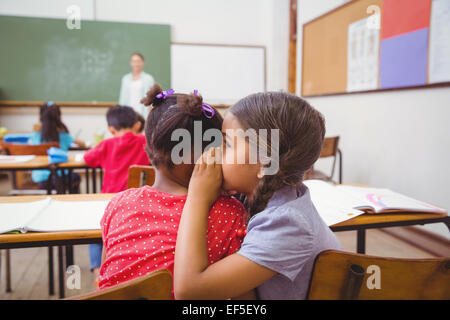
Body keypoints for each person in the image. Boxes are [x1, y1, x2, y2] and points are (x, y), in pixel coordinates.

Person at [174, 92, 342, 300]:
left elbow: (190, 291)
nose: (214, 151)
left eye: (226, 144)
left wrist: (197, 196)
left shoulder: (288, 223)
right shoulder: (264, 196)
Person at [98, 84, 249, 299]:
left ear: (149, 147)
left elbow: (106, 275)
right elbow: (242, 298)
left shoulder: (119, 203)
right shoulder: (230, 213)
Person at [83, 105, 150, 285]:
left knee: (97, 232)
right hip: (140, 203)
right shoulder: (145, 141)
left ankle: (98, 271)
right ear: (136, 124)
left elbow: (87, 159)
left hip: (109, 202)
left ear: (111, 129)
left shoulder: (107, 144)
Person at [29, 101, 85, 193]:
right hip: (61, 178)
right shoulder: (64, 136)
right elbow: (82, 144)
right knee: (76, 177)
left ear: (40, 118)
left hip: (39, 179)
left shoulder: (34, 137)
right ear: (59, 118)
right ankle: (74, 201)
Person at [118, 52, 155, 117]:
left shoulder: (148, 78)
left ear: (143, 63)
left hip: (143, 113)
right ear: (131, 63)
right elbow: (122, 98)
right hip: (128, 114)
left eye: (138, 61)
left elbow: (153, 97)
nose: (136, 64)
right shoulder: (125, 79)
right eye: (134, 61)